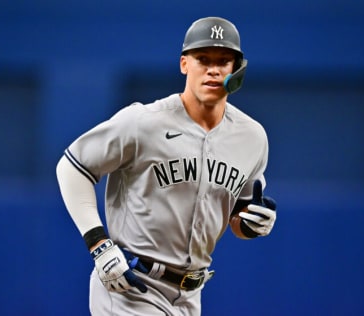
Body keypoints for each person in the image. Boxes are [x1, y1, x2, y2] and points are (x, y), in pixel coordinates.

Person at [56, 16, 277, 315]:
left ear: (237, 69)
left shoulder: (252, 137)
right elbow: (72, 166)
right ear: (184, 64)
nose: (213, 69)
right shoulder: (142, 122)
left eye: (223, 60)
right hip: (131, 285)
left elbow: (236, 215)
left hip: (190, 296)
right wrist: (99, 245)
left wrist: (250, 224)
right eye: (202, 59)